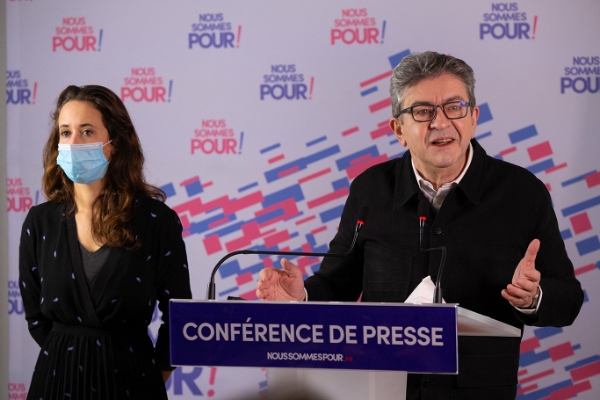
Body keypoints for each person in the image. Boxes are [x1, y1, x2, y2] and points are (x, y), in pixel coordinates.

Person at [256, 51, 583, 399]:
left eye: (455, 107)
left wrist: (534, 296)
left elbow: (568, 299)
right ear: (399, 129)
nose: (441, 123)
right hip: (381, 386)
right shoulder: (370, 190)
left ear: (473, 117)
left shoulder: (522, 193)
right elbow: (337, 286)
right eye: (423, 111)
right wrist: (302, 296)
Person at [19, 85, 192, 399]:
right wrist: (72, 359)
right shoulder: (39, 222)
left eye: (87, 131)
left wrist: (152, 375)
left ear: (115, 144)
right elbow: (36, 318)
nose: (73, 143)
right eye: (66, 132)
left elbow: (178, 317)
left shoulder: (156, 222)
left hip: (134, 381)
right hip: (56, 381)